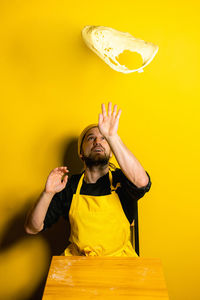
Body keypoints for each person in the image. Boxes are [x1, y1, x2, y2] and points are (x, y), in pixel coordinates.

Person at [25, 102, 151, 257]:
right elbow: (32, 228)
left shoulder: (122, 179)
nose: (97, 142)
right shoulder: (68, 186)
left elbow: (142, 182)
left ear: (112, 151)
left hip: (120, 264)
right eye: (91, 138)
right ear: (81, 154)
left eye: (103, 139)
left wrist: (113, 137)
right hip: (78, 266)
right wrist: (47, 193)